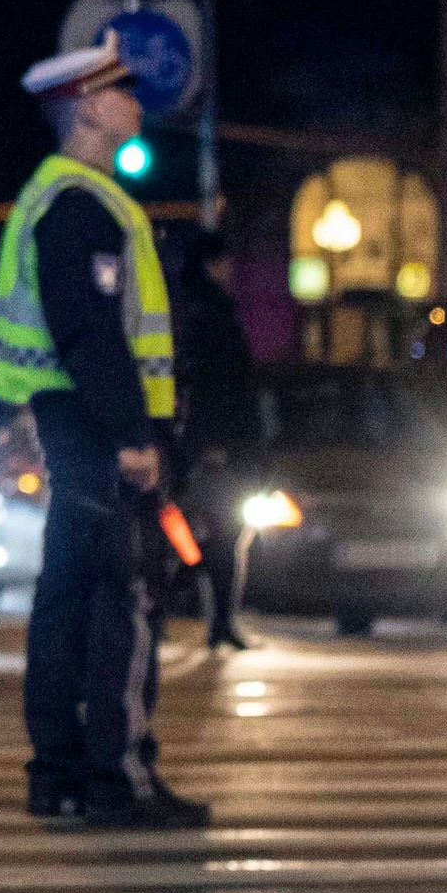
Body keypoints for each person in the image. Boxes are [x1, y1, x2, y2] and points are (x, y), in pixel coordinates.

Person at [0, 38, 209, 830]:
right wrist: (133, 436)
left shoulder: (59, 197)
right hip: (95, 426)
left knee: (69, 596)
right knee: (124, 599)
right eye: (122, 91)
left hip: (70, 421)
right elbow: (89, 330)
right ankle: (119, 779)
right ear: (87, 107)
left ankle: (59, 774)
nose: (136, 104)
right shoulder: (82, 203)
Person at [167, 222, 259, 651]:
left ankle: (214, 617)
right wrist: (211, 442)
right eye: (224, 262)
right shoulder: (207, 314)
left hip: (214, 442)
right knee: (219, 532)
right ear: (210, 265)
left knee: (217, 532)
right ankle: (210, 614)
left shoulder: (200, 309)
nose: (230, 269)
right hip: (215, 444)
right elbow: (216, 383)